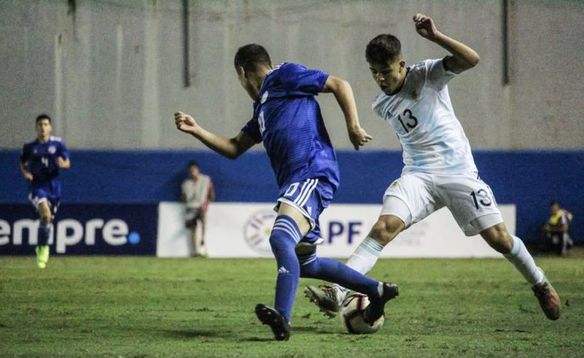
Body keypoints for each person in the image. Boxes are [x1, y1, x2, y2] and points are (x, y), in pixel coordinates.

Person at [305, 14, 560, 321]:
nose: (381, 79)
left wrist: (435, 35)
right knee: (383, 228)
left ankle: (540, 283)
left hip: (458, 173)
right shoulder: (380, 104)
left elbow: (472, 59)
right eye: (374, 73)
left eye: (386, 71)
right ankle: (338, 290)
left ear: (402, 64)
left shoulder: (427, 74)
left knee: (499, 238)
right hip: (418, 176)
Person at [175, 44, 398, 340]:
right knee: (307, 263)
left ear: (241, 72)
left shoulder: (284, 74)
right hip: (300, 182)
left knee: (280, 236)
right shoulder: (263, 107)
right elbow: (233, 148)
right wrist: (197, 130)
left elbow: (338, 84)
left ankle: (283, 317)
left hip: (312, 173)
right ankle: (376, 290)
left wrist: (353, 126)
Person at [19, 114, 71, 268]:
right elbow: (22, 162)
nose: (43, 127)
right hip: (37, 186)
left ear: (50, 127)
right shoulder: (30, 147)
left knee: (48, 221)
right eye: (40, 124)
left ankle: (41, 245)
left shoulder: (58, 144)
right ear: (36, 127)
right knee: (46, 215)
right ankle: (44, 249)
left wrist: (63, 163)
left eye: (46, 124)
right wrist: (26, 173)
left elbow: (67, 162)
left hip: (53, 187)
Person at [181, 160, 215, 257]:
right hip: (191, 208)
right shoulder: (186, 184)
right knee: (193, 229)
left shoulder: (205, 180)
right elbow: (183, 197)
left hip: (201, 207)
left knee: (203, 224)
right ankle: (195, 251)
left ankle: (203, 246)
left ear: (198, 170)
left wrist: (207, 203)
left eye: (194, 170)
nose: (192, 172)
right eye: (191, 171)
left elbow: (211, 194)